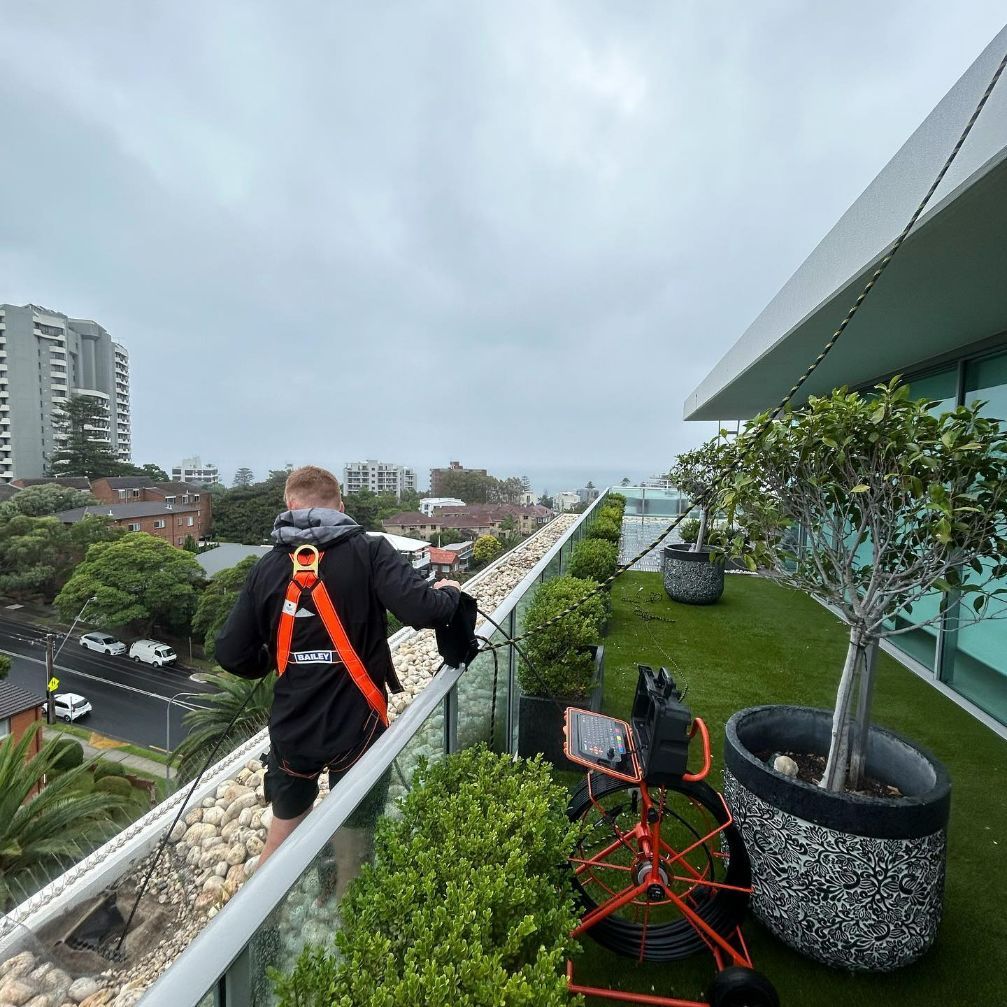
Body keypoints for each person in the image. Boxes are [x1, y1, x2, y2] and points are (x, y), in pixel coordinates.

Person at [214, 465, 460, 876]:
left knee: (281, 836)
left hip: (294, 728)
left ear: (289, 506)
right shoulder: (370, 551)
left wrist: (277, 660)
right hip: (357, 724)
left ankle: (258, 928)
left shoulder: (269, 567)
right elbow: (423, 610)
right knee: (355, 835)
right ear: (340, 506)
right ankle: (349, 913)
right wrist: (450, 595)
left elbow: (231, 652)